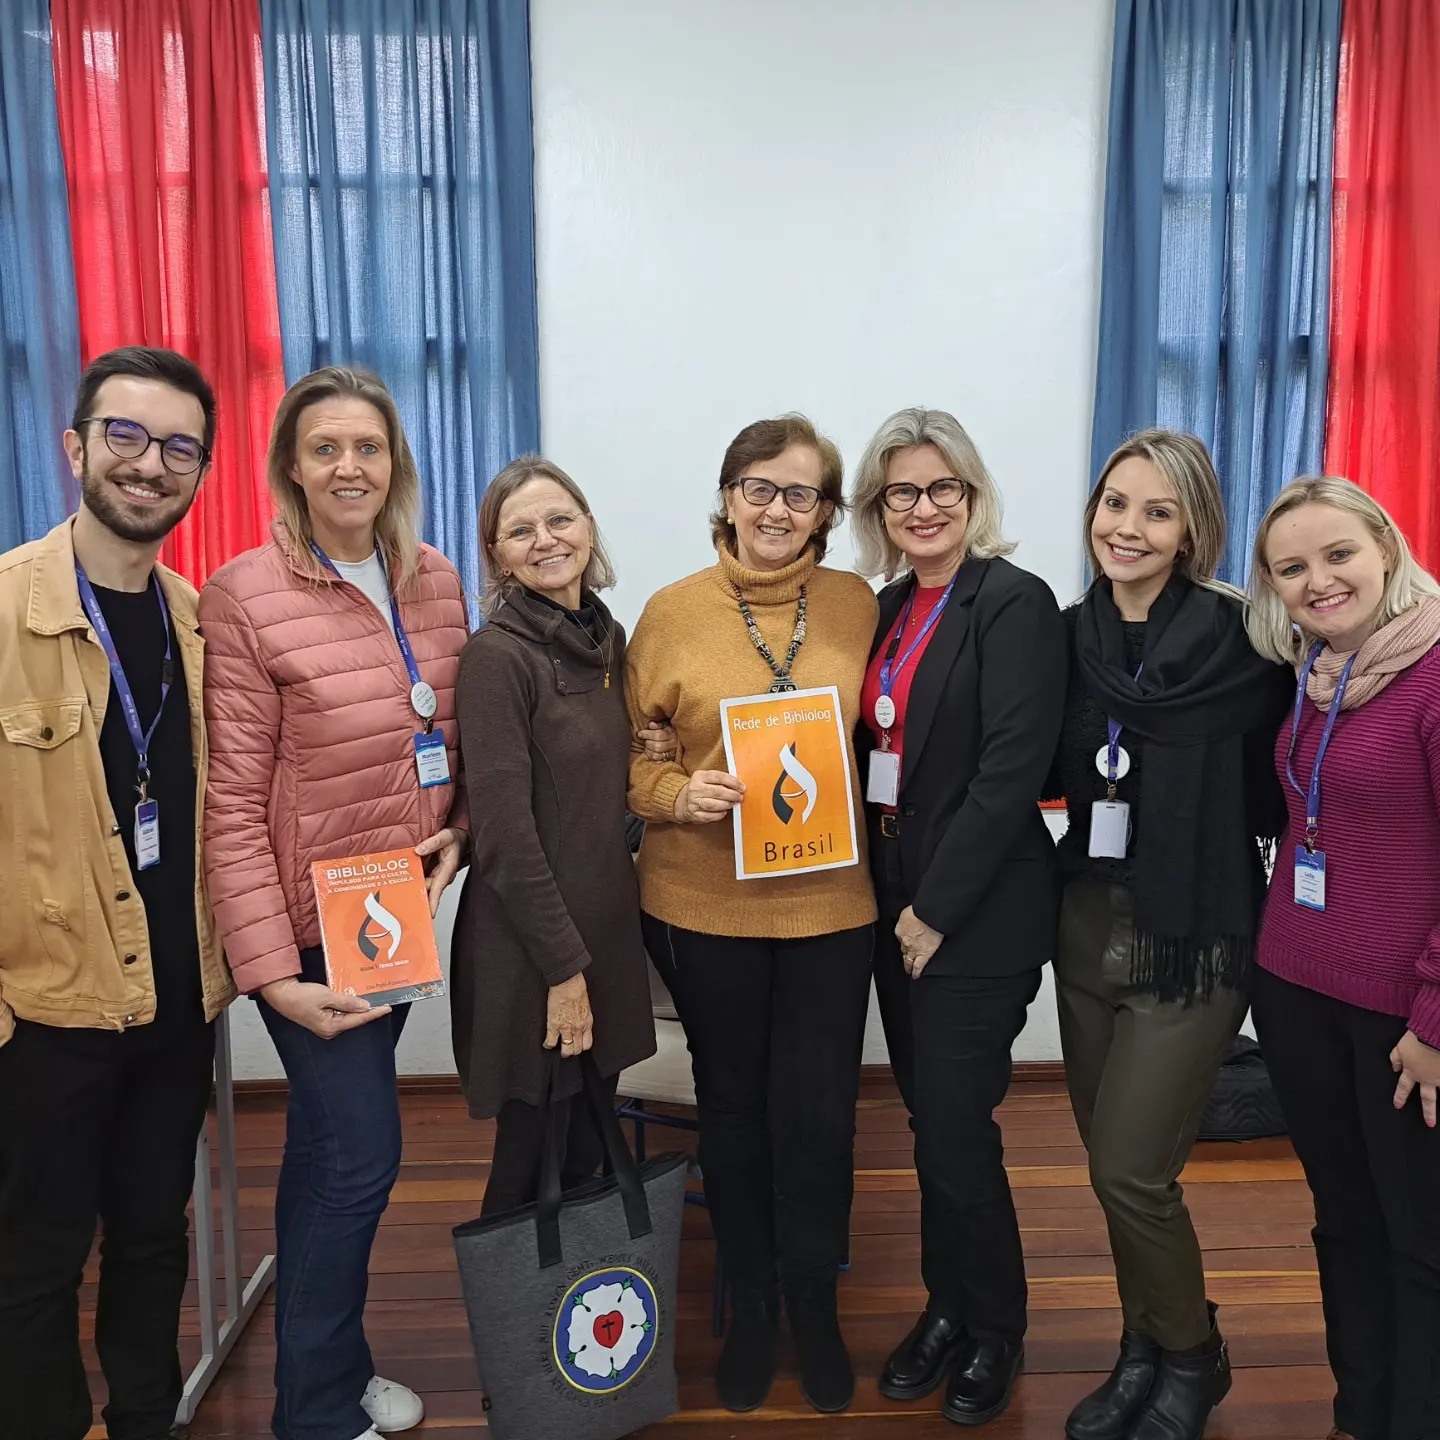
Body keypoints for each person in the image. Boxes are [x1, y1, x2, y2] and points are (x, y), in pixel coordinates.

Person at [200, 366, 469, 1440]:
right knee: (362, 1155)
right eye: (325, 449)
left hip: (391, 909)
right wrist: (269, 973)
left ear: (395, 460)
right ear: (291, 468)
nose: (349, 466)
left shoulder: (438, 579)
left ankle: (331, 1368)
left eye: (368, 446)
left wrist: (463, 826)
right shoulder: (245, 592)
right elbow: (228, 803)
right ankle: (312, 1414)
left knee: (322, 1148)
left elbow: (456, 731)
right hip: (305, 930)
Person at [0, 345, 234, 1440]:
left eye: (179, 446)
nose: (151, 465)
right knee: (34, 1265)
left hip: (177, 1008)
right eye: (127, 437)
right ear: (76, 446)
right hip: (43, 1015)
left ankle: (148, 1419)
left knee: (152, 1237)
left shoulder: (200, 622)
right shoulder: (5, 611)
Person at [625, 415, 877, 1415]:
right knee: (732, 1113)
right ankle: (754, 1305)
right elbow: (633, 755)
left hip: (830, 907)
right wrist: (675, 795)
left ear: (827, 511)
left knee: (818, 1114)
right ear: (728, 495)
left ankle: (815, 1301)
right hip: (701, 904)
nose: (779, 509)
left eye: (802, 493)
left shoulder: (859, 606)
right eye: (760, 488)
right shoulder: (669, 612)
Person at [1050, 429, 1289, 1440]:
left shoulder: (1253, 644)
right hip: (1085, 928)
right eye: (1116, 504)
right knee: (1112, 1160)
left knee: (1130, 1171)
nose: (1129, 528)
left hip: (1197, 936)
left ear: (1193, 526)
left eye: (1157, 510)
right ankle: (1143, 1342)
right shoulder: (1064, 639)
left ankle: (1192, 1355)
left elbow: (1287, 795)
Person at [850, 408, 1065, 1427]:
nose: (924, 507)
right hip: (893, 902)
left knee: (954, 1125)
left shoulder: (1013, 603)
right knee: (929, 1125)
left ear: (972, 498)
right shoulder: (886, 607)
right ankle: (948, 1304)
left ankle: (997, 1324)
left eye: (943, 489)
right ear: (879, 509)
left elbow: (1011, 767)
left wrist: (934, 909)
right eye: (903, 492)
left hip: (974, 910)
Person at [1247, 476, 1440, 1440]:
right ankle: (1359, 1415)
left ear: (1386, 549)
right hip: (1295, 988)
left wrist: (1435, 1022)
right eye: (1292, 567)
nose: (1319, 581)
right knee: (1341, 1219)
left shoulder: (1436, 674)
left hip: (1401, 1012)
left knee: (1419, 1238)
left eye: (1337, 555)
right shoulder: (1318, 675)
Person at [451, 456, 655, 1215]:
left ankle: (582, 1327)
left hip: (602, 929)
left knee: (588, 1158)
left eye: (559, 519)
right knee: (529, 1168)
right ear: (497, 555)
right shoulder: (496, 658)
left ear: (589, 526)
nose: (545, 539)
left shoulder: (609, 638)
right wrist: (564, 973)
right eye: (520, 530)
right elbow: (503, 837)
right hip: (534, 951)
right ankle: (517, 1328)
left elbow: (602, 794)